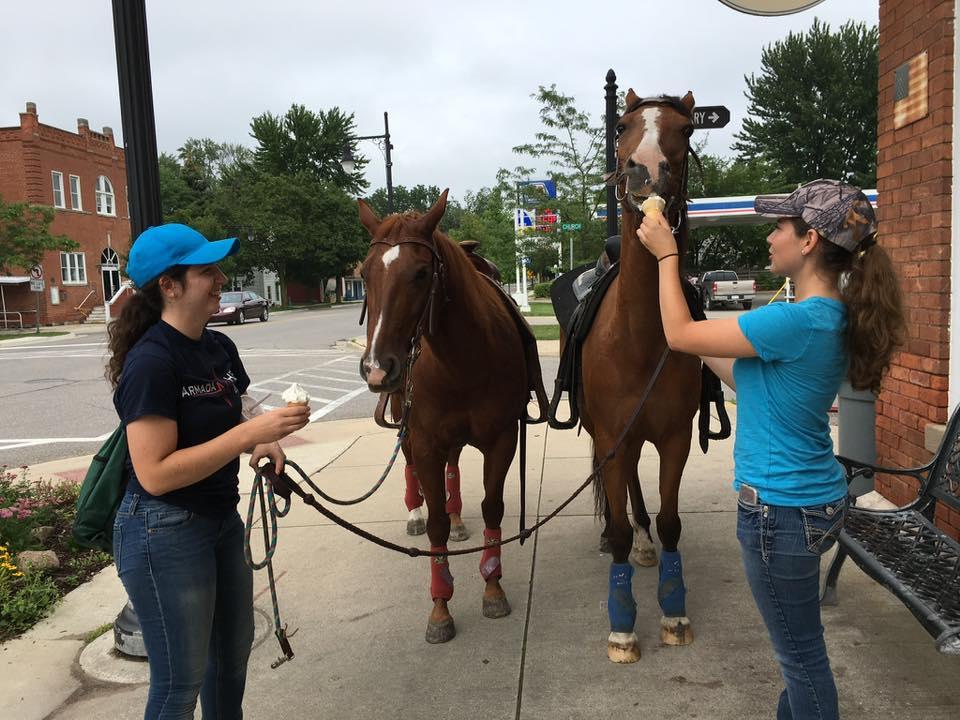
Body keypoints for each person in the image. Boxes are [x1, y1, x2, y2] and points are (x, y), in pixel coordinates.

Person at [637, 179, 905, 720]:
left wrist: (667, 254)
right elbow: (746, 376)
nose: (771, 237)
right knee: (800, 650)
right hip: (811, 503)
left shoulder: (794, 320)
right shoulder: (825, 318)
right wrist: (694, 336)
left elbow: (678, 335)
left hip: (778, 513)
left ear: (809, 241)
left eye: (780, 226)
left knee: (802, 659)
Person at [107, 223, 310, 719]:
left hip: (221, 521)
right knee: (180, 685)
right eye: (206, 271)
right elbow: (153, 473)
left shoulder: (217, 347)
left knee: (229, 665)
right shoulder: (151, 362)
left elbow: (232, 410)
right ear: (168, 286)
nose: (221, 278)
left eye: (218, 268)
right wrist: (245, 437)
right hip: (163, 531)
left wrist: (261, 436)